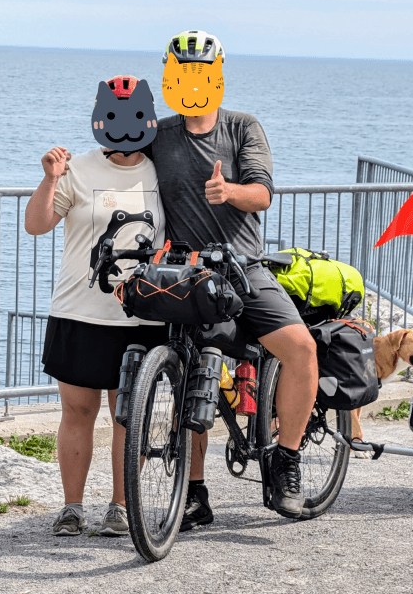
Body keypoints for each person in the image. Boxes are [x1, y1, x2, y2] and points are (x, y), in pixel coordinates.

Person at [142, 31, 319, 528]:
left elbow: (262, 194)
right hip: (186, 271)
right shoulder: (160, 135)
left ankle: (284, 461)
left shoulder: (243, 127)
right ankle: (194, 494)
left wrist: (229, 191)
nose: (193, 82)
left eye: (202, 73)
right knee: (190, 371)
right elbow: (121, 163)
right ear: (169, 76)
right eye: (183, 73)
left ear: (217, 75)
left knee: (301, 350)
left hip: (245, 268)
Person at [25, 75, 167, 536]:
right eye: (114, 115)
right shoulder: (78, 169)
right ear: (99, 118)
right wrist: (49, 180)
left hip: (142, 312)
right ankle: (71, 506)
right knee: (78, 413)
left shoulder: (161, 170)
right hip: (79, 310)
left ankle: (121, 506)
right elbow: (36, 224)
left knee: (129, 414)